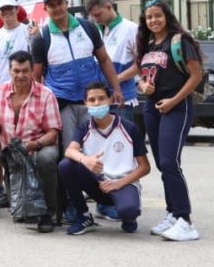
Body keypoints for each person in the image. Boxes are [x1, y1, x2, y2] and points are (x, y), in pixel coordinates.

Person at [136, 0, 203, 242]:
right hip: (153, 108)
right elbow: (141, 76)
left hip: (177, 106)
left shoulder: (179, 41)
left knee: (170, 161)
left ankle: (186, 220)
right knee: (163, 165)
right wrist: (144, 86)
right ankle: (173, 214)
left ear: (167, 17)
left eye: (158, 16)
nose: (153, 20)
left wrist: (174, 101)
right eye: (149, 17)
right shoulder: (147, 44)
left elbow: (196, 76)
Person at [31, 0, 123, 153]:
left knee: (99, 148)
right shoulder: (41, 38)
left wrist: (116, 88)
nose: (57, 8)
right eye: (51, 5)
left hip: (92, 102)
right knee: (70, 151)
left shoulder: (88, 28)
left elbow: (104, 59)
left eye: (59, 3)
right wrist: (42, 107)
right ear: (45, 9)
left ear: (66, 4)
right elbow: (36, 77)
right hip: (63, 103)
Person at [59, 82, 150, 235]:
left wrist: (119, 183)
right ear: (85, 103)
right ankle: (83, 216)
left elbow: (145, 167)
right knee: (65, 165)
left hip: (123, 183)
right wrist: (85, 160)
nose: (97, 103)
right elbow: (70, 151)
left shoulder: (129, 128)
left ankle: (129, 217)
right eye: (92, 100)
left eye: (101, 98)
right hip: (98, 183)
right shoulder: (83, 127)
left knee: (128, 211)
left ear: (110, 100)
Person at [0, 50, 62, 233]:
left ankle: (50, 213)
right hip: (11, 155)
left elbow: (53, 132)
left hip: (37, 147)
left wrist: (35, 145)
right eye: (16, 71)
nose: (21, 75)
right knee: (21, 214)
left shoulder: (46, 94)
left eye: (25, 71)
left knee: (46, 158)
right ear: (10, 71)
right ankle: (26, 208)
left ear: (32, 71)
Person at [0, 0, 32, 208]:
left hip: (24, 92)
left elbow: (36, 61)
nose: (7, 13)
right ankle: (2, 185)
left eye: (10, 8)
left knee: (24, 137)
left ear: (16, 9)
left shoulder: (28, 32)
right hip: (0, 93)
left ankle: (27, 185)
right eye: (3, 10)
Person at [86, 0, 140, 124]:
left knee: (122, 141)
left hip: (122, 99)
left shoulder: (131, 29)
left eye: (98, 15)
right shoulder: (96, 30)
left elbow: (140, 64)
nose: (96, 19)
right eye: (93, 17)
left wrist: (115, 80)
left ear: (109, 6)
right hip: (99, 101)